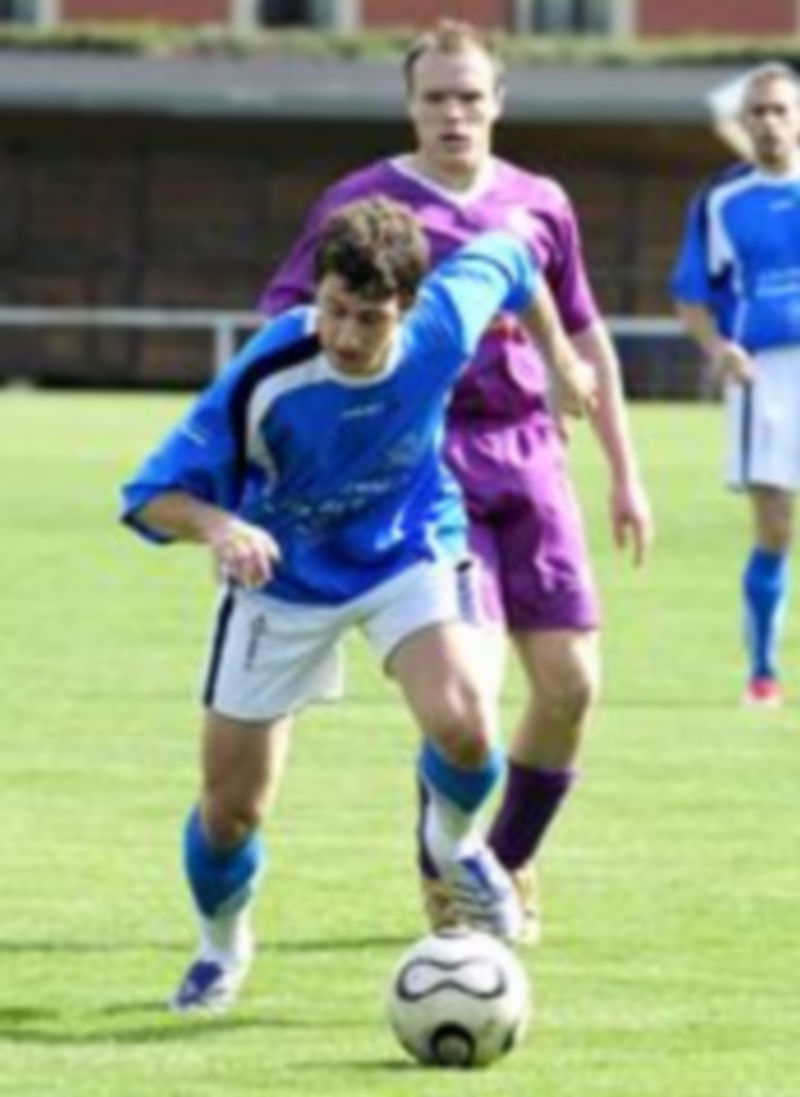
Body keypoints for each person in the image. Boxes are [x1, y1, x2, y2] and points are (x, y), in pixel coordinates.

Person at [120, 196, 596, 1014]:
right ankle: (221, 946)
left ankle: (451, 843)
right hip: (285, 578)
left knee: (466, 721)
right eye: (335, 309)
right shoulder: (270, 371)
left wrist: (559, 359)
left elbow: (519, 259)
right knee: (231, 812)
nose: (344, 335)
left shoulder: (446, 321)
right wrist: (221, 526)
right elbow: (149, 495)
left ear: (407, 307)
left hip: (409, 546)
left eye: (368, 319)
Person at [258, 19, 652, 944]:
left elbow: (584, 337)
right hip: (426, 464)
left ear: (498, 102)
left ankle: (502, 860)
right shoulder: (362, 204)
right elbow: (286, 322)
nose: (454, 114)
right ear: (410, 105)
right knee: (467, 691)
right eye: (435, 97)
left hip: (534, 459)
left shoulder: (540, 202)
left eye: (470, 96)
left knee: (571, 685)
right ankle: (450, 869)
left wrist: (624, 472)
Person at [672, 62, 800, 708]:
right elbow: (690, 294)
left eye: (781, 110)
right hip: (762, 374)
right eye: (759, 111)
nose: (770, 122)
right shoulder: (721, 200)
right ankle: (763, 672)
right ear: (744, 121)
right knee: (775, 526)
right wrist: (718, 348)